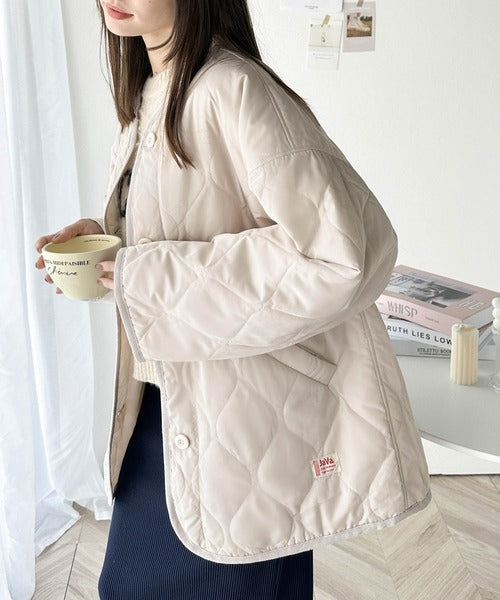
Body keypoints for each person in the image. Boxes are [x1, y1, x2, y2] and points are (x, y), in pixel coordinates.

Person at [34, 0, 432, 598]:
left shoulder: (234, 88)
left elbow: (341, 254)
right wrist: (110, 243)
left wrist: (146, 275)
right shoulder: (148, 98)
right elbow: (193, 225)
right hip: (168, 406)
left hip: (246, 421)